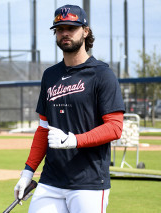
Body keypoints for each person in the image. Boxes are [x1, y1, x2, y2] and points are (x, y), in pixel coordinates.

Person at [13, 4, 125, 213]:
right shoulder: (50, 75)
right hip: (51, 180)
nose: (65, 33)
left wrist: (75, 140)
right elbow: (43, 129)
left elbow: (115, 128)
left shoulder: (102, 74)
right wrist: (27, 172)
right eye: (60, 29)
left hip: (88, 182)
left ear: (85, 31)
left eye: (71, 28)